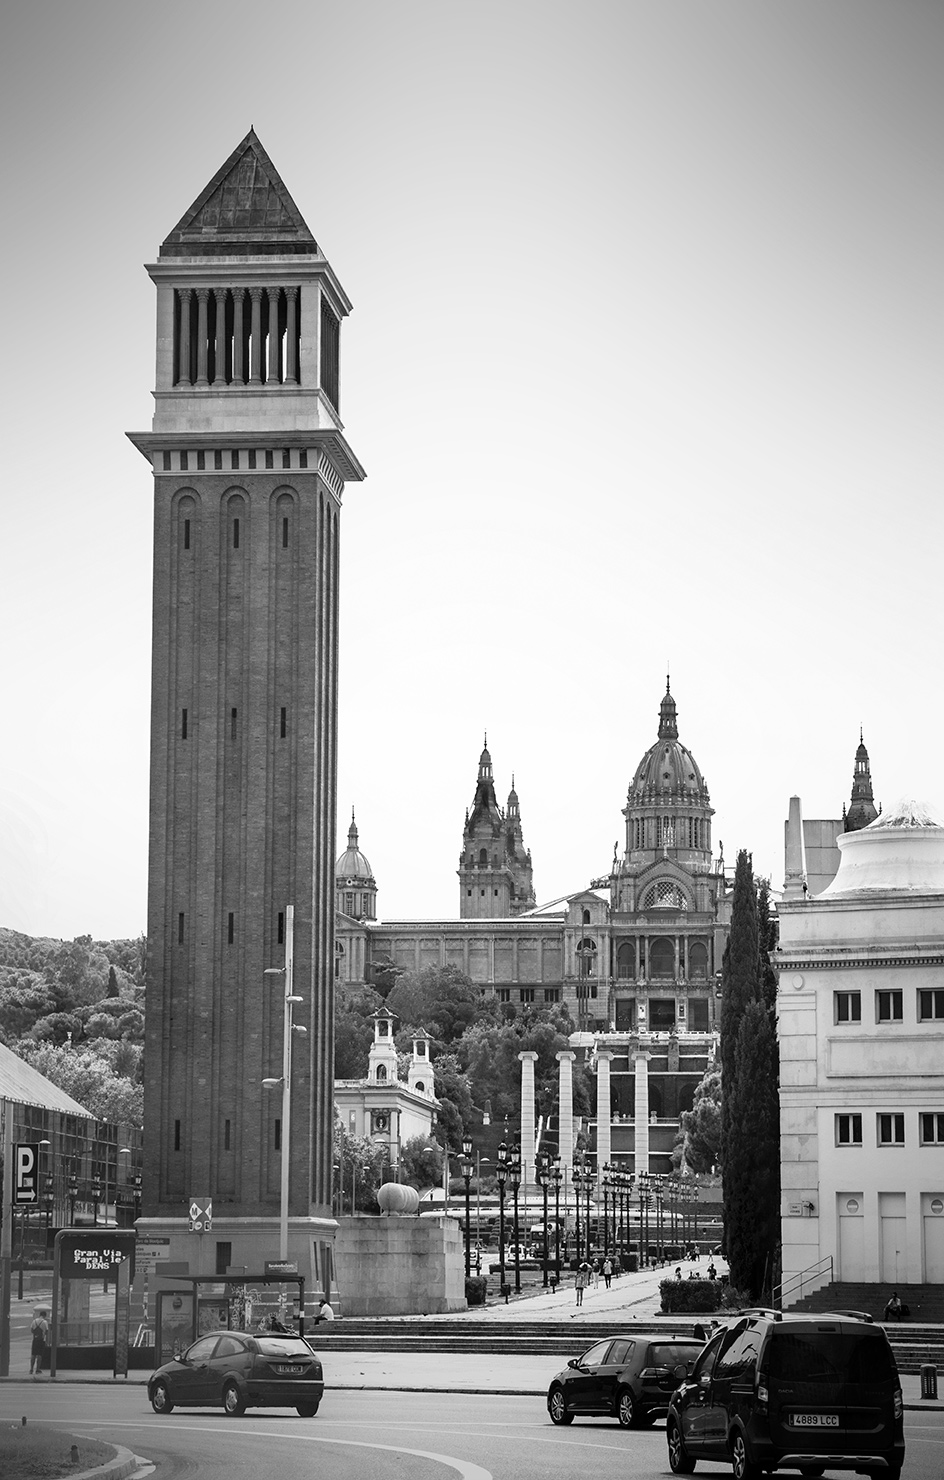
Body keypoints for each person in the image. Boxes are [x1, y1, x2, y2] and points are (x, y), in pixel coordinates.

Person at [29, 1311, 49, 1375]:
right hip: (41, 1340)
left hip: (35, 1340)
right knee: (39, 1355)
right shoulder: (45, 1322)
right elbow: (46, 1331)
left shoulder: (34, 1321)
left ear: (39, 1315)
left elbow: (32, 1330)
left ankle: (31, 1369)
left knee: (33, 1355)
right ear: (44, 1316)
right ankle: (37, 1369)